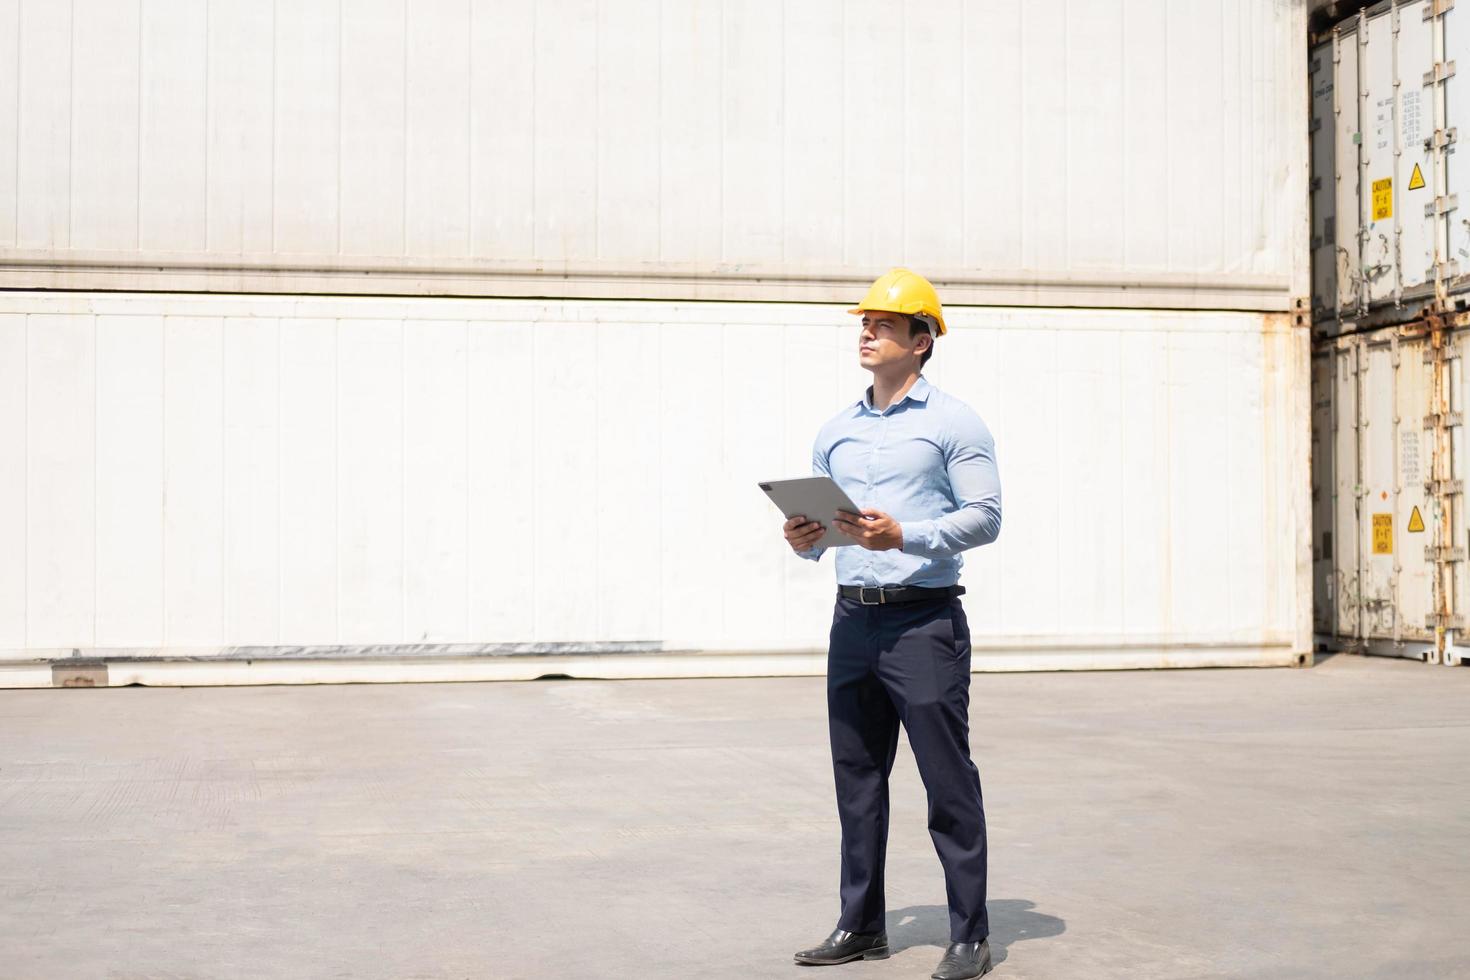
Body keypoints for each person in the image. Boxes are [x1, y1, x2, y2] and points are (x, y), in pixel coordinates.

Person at [785, 269, 1002, 980]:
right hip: (853, 623)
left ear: (923, 340)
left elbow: (985, 517)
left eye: (884, 324)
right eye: (865, 323)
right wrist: (806, 537)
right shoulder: (837, 430)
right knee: (857, 780)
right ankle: (861, 924)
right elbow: (826, 538)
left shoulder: (954, 424)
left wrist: (903, 536)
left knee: (947, 781)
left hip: (923, 625)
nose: (867, 333)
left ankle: (969, 934)